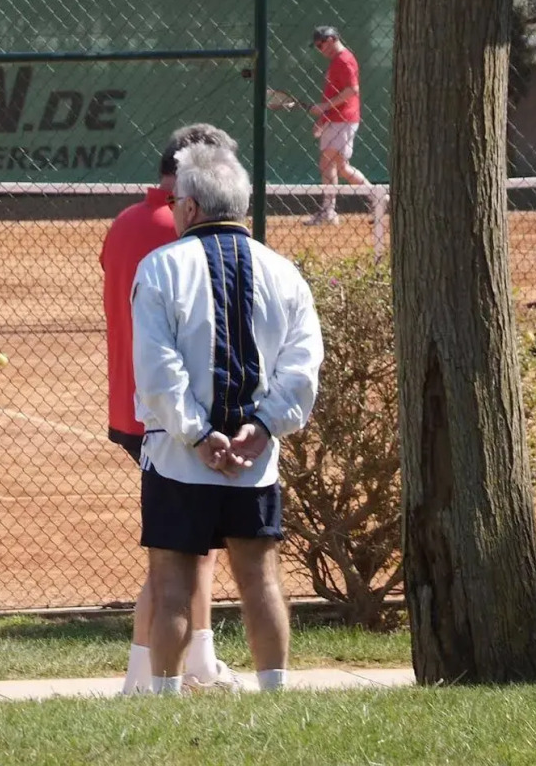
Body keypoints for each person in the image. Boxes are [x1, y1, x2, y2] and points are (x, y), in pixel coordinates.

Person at [132, 145, 323, 695]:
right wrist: (262, 428)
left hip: (177, 458)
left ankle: (164, 700)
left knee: (173, 581)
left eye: (174, 203)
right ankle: (275, 696)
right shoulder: (284, 272)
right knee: (261, 578)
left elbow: (157, 370)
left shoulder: (162, 268)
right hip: (253, 463)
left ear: (189, 208)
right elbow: (302, 367)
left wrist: (197, 434)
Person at [101, 123, 242, 695]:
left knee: (191, 548)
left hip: (135, 407)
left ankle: (196, 661)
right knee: (182, 555)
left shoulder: (126, 223)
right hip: (170, 410)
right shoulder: (183, 234)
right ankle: (151, 672)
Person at [304, 26, 384, 225]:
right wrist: (322, 119)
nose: (320, 49)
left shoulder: (345, 60)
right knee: (341, 167)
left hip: (345, 118)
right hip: (336, 118)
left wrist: (324, 107)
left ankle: (329, 212)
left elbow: (352, 90)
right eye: (317, 46)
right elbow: (333, 94)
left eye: (321, 44)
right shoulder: (335, 62)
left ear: (331, 39)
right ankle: (378, 197)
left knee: (328, 163)